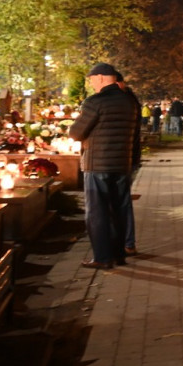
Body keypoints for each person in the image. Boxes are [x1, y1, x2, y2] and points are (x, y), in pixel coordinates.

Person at [69, 63, 138, 269]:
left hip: (97, 165)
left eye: (91, 80)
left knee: (97, 213)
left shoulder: (95, 102)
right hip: (121, 164)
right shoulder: (130, 102)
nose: (91, 84)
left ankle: (102, 257)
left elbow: (75, 133)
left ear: (100, 78)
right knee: (117, 211)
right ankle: (118, 255)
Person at [115, 71, 143, 256]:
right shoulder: (130, 100)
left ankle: (126, 242)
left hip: (122, 158)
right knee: (121, 200)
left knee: (121, 201)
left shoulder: (123, 101)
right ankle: (126, 242)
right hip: (127, 157)